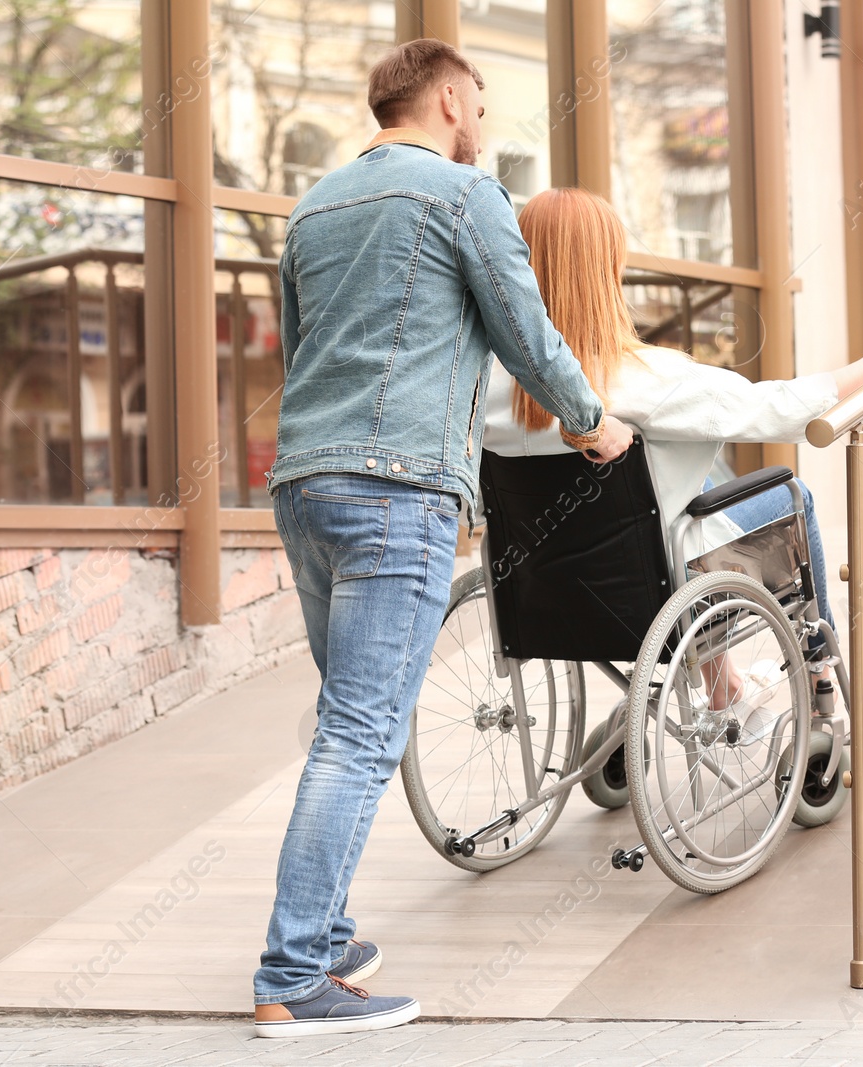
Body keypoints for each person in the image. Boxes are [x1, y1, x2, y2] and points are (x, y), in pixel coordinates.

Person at [254, 43, 633, 1039]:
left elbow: (301, 356)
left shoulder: (312, 207)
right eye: (479, 102)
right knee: (361, 733)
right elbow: (526, 328)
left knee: (349, 721)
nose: (481, 119)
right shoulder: (466, 197)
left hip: (305, 486)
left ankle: (325, 935)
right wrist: (593, 422)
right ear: (450, 97)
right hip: (397, 488)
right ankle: (294, 974)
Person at [482, 187, 863, 712]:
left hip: (544, 601)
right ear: (605, 273)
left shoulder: (486, 388)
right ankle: (821, 680)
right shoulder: (649, 380)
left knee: (699, 486)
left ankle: (725, 687)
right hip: (656, 592)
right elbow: (792, 406)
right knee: (793, 494)